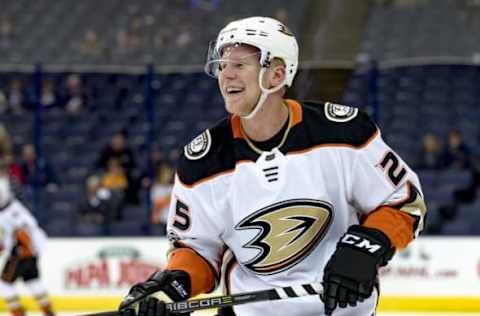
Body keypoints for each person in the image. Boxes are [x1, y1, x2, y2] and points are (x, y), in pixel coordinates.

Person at [118, 16, 427, 316]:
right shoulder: (204, 161)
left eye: (239, 65)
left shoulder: (344, 134)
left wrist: (366, 247)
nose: (226, 75)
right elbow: (197, 251)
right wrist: (173, 285)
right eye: (223, 66)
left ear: (277, 75)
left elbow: (404, 203)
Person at [0, 165, 55, 316]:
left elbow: (22, 232)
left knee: (3, 285)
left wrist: (18, 249)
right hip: (32, 251)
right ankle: (49, 312)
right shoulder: (14, 207)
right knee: (33, 281)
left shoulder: (10, 211)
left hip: (21, 252)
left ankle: (19, 314)